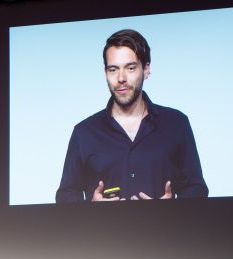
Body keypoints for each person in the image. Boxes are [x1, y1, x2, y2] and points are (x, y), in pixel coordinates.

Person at [56, 29, 208, 202]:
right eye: (113, 69)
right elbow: (65, 195)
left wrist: (170, 209)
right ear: (105, 73)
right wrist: (91, 208)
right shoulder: (84, 132)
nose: (121, 78)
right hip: (102, 223)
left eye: (130, 68)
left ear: (146, 69)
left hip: (163, 222)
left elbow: (197, 189)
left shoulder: (176, 123)